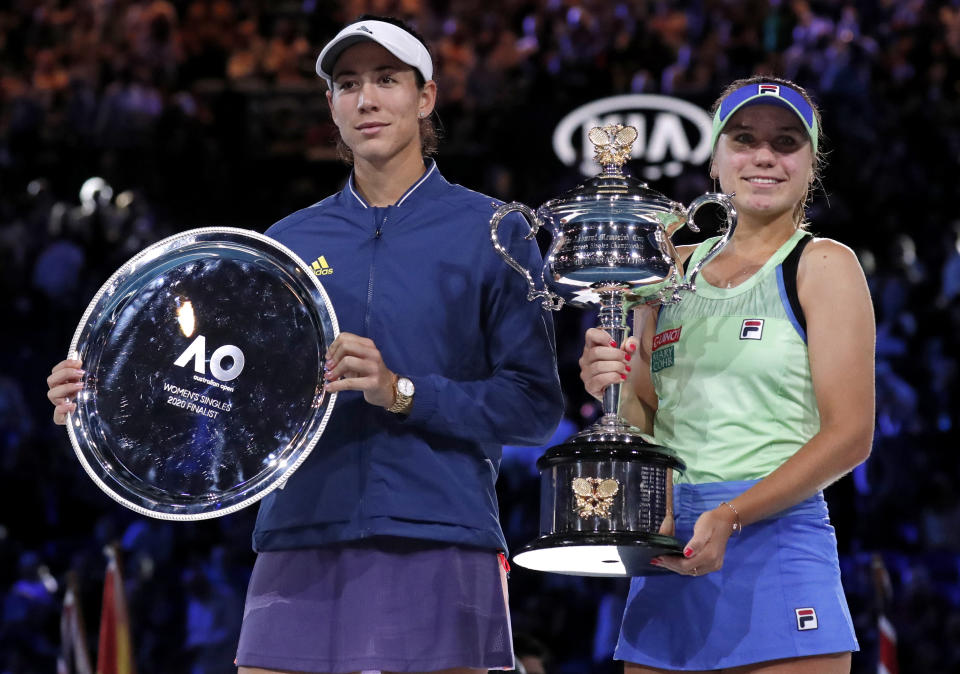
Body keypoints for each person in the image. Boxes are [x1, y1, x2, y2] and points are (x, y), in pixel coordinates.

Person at [47, 15, 564, 674]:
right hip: (299, 534)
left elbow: (533, 406)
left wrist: (401, 392)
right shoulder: (284, 242)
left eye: (386, 80)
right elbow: (224, 387)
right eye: (348, 85)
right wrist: (103, 390)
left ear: (426, 96)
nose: (367, 99)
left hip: (437, 534)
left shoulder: (494, 231)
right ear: (331, 105)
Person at [578, 76, 875, 673]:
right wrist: (605, 386)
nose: (763, 156)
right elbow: (641, 411)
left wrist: (732, 514)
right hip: (669, 545)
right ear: (715, 159)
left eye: (785, 142)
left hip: (775, 540)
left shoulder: (822, 265)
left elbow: (851, 436)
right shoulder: (668, 269)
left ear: (810, 165)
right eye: (744, 139)